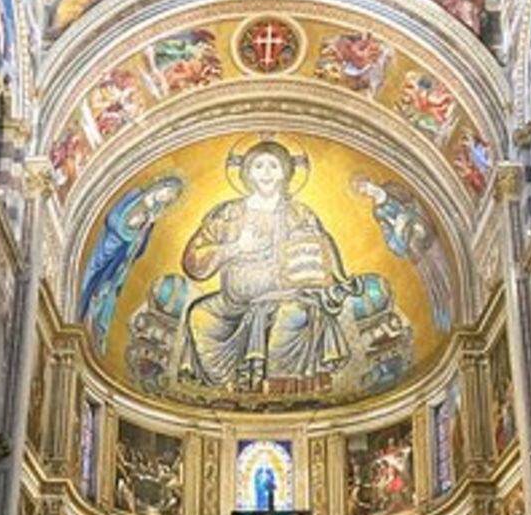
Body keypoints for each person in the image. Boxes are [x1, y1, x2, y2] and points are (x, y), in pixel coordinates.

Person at [179, 140, 362, 392]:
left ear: (286, 172)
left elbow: (318, 258)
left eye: (274, 166)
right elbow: (193, 262)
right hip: (232, 304)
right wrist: (235, 247)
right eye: (258, 166)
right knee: (199, 316)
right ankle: (229, 389)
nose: (266, 173)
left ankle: (277, 391)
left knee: (293, 315)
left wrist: (338, 282)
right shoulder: (228, 213)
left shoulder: (299, 214)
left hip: (285, 297)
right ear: (246, 172)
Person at [79, 177, 184, 352]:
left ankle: (96, 331)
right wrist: (130, 228)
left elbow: (139, 250)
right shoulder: (134, 195)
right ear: (162, 186)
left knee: (106, 294)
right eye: (168, 193)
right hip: (106, 250)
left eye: (170, 199)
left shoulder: (153, 216)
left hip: (119, 262)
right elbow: (112, 219)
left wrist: (145, 227)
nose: (166, 199)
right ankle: (84, 314)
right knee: (91, 285)